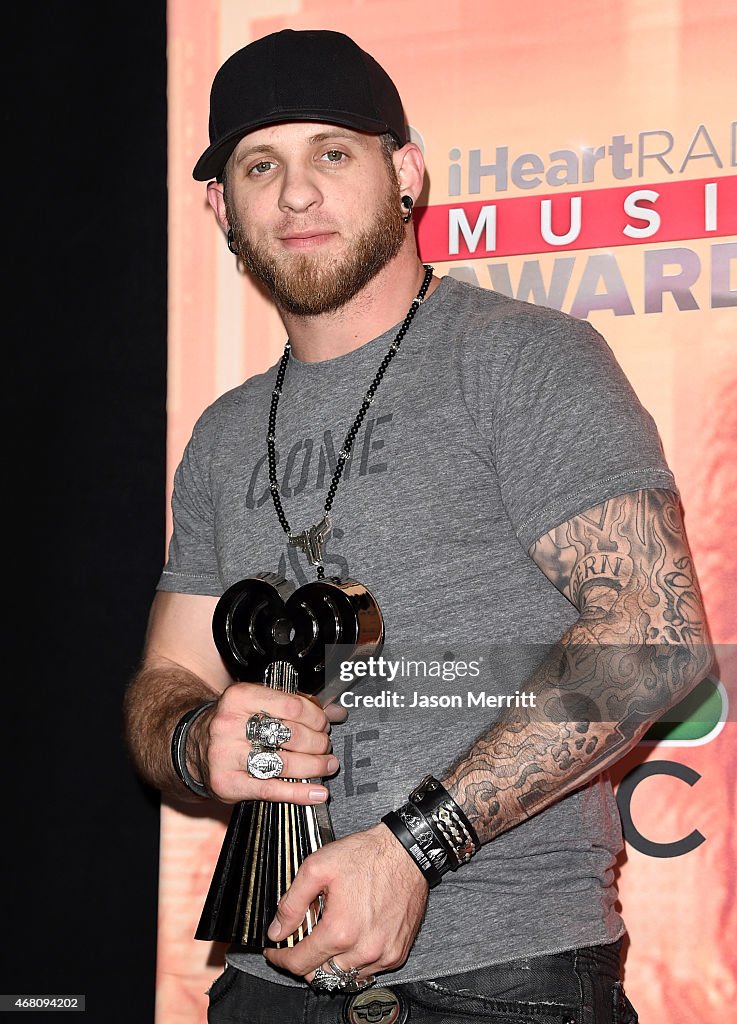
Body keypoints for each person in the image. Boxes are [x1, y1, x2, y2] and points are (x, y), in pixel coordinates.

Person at [123, 28, 713, 1024]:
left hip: (497, 988)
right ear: (222, 205)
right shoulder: (222, 436)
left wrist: (415, 844)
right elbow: (166, 679)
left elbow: (651, 636)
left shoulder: (524, 361)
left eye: (332, 153)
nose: (296, 193)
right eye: (260, 164)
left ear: (404, 171)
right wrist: (193, 740)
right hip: (264, 988)